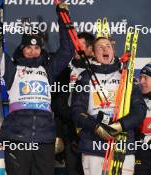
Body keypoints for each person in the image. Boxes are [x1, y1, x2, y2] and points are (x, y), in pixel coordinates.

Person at [0, 1, 74, 175]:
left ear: (41, 50)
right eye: (28, 47)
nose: (33, 51)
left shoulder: (48, 70)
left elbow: (67, 50)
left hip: (44, 139)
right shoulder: (11, 69)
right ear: (22, 49)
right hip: (17, 137)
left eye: (36, 47)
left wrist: (63, 16)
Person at [71, 37, 147, 175]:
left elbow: (139, 110)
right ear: (93, 53)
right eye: (100, 47)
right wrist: (96, 126)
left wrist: (120, 125)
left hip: (122, 144)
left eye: (108, 46)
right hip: (93, 144)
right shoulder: (85, 77)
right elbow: (77, 111)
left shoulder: (126, 76)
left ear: (113, 51)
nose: (105, 49)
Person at [52, 32, 95, 175]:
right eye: (74, 46)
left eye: (80, 46)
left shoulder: (98, 71)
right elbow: (58, 104)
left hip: (93, 130)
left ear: (90, 49)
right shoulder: (64, 71)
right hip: (70, 131)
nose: (76, 49)